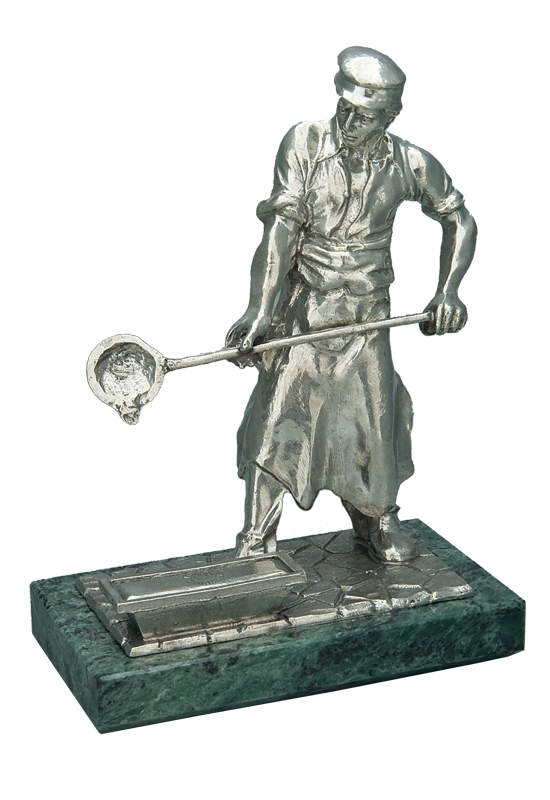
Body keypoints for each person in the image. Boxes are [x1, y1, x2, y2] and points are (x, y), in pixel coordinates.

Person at [226, 48, 477, 563]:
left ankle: (377, 520)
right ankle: (256, 535)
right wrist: (260, 310)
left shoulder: (410, 163)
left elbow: (459, 219)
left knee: (372, 424)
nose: (349, 122)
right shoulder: (304, 143)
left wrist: (447, 290)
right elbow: (281, 230)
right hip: (306, 314)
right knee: (279, 424)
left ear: (390, 116)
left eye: (364, 115)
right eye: (343, 109)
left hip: (366, 320)